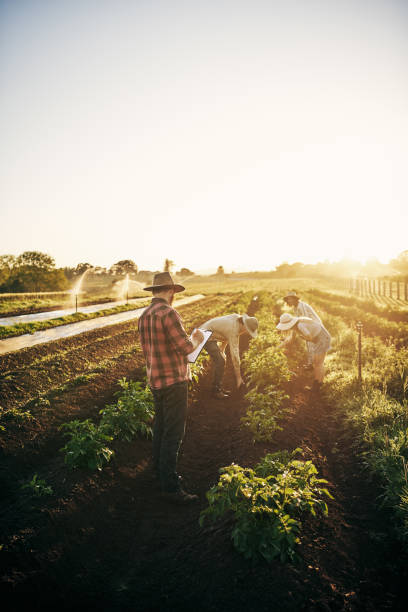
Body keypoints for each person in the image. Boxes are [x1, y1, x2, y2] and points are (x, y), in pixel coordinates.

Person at [138, 272, 204, 504]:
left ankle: (157, 472)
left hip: (155, 380)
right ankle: (170, 486)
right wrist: (196, 338)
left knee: (160, 427)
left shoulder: (144, 315)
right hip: (174, 382)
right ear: (171, 291)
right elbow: (186, 348)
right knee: (173, 434)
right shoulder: (169, 313)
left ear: (155, 291)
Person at [200, 313, 259, 399]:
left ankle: (218, 387)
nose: (246, 332)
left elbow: (225, 334)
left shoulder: (237, 319)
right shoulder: (233, 329)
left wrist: (222, 350)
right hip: (204, 335)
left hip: (210, 334)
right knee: (220, 361)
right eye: (247, 330)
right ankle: (215, 390)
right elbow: (235, 354)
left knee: (221, 359)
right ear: (244, 325)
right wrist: (238, 378)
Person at [276, 312, 331, 393]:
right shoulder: (296, 325)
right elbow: (289, 340)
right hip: (322, 337)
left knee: (317, 363)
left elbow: (309, 337)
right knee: (319, 363)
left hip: (322, 338)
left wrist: (304, 338)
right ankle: (319, 385)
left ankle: (316, 387)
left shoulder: (300, 325)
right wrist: (277, 348)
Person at [283, 291, 322, 368]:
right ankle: (311, 363)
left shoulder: (301, 306)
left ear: (295, 299)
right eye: (288, 299)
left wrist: (300, 333)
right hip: (308, 325)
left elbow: (306, 319)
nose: (289, 301)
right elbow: (297, 321)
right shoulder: (295, 308)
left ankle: (312, 364)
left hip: (314, 324)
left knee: (310, 343)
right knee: (309, 343)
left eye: (290, 299)